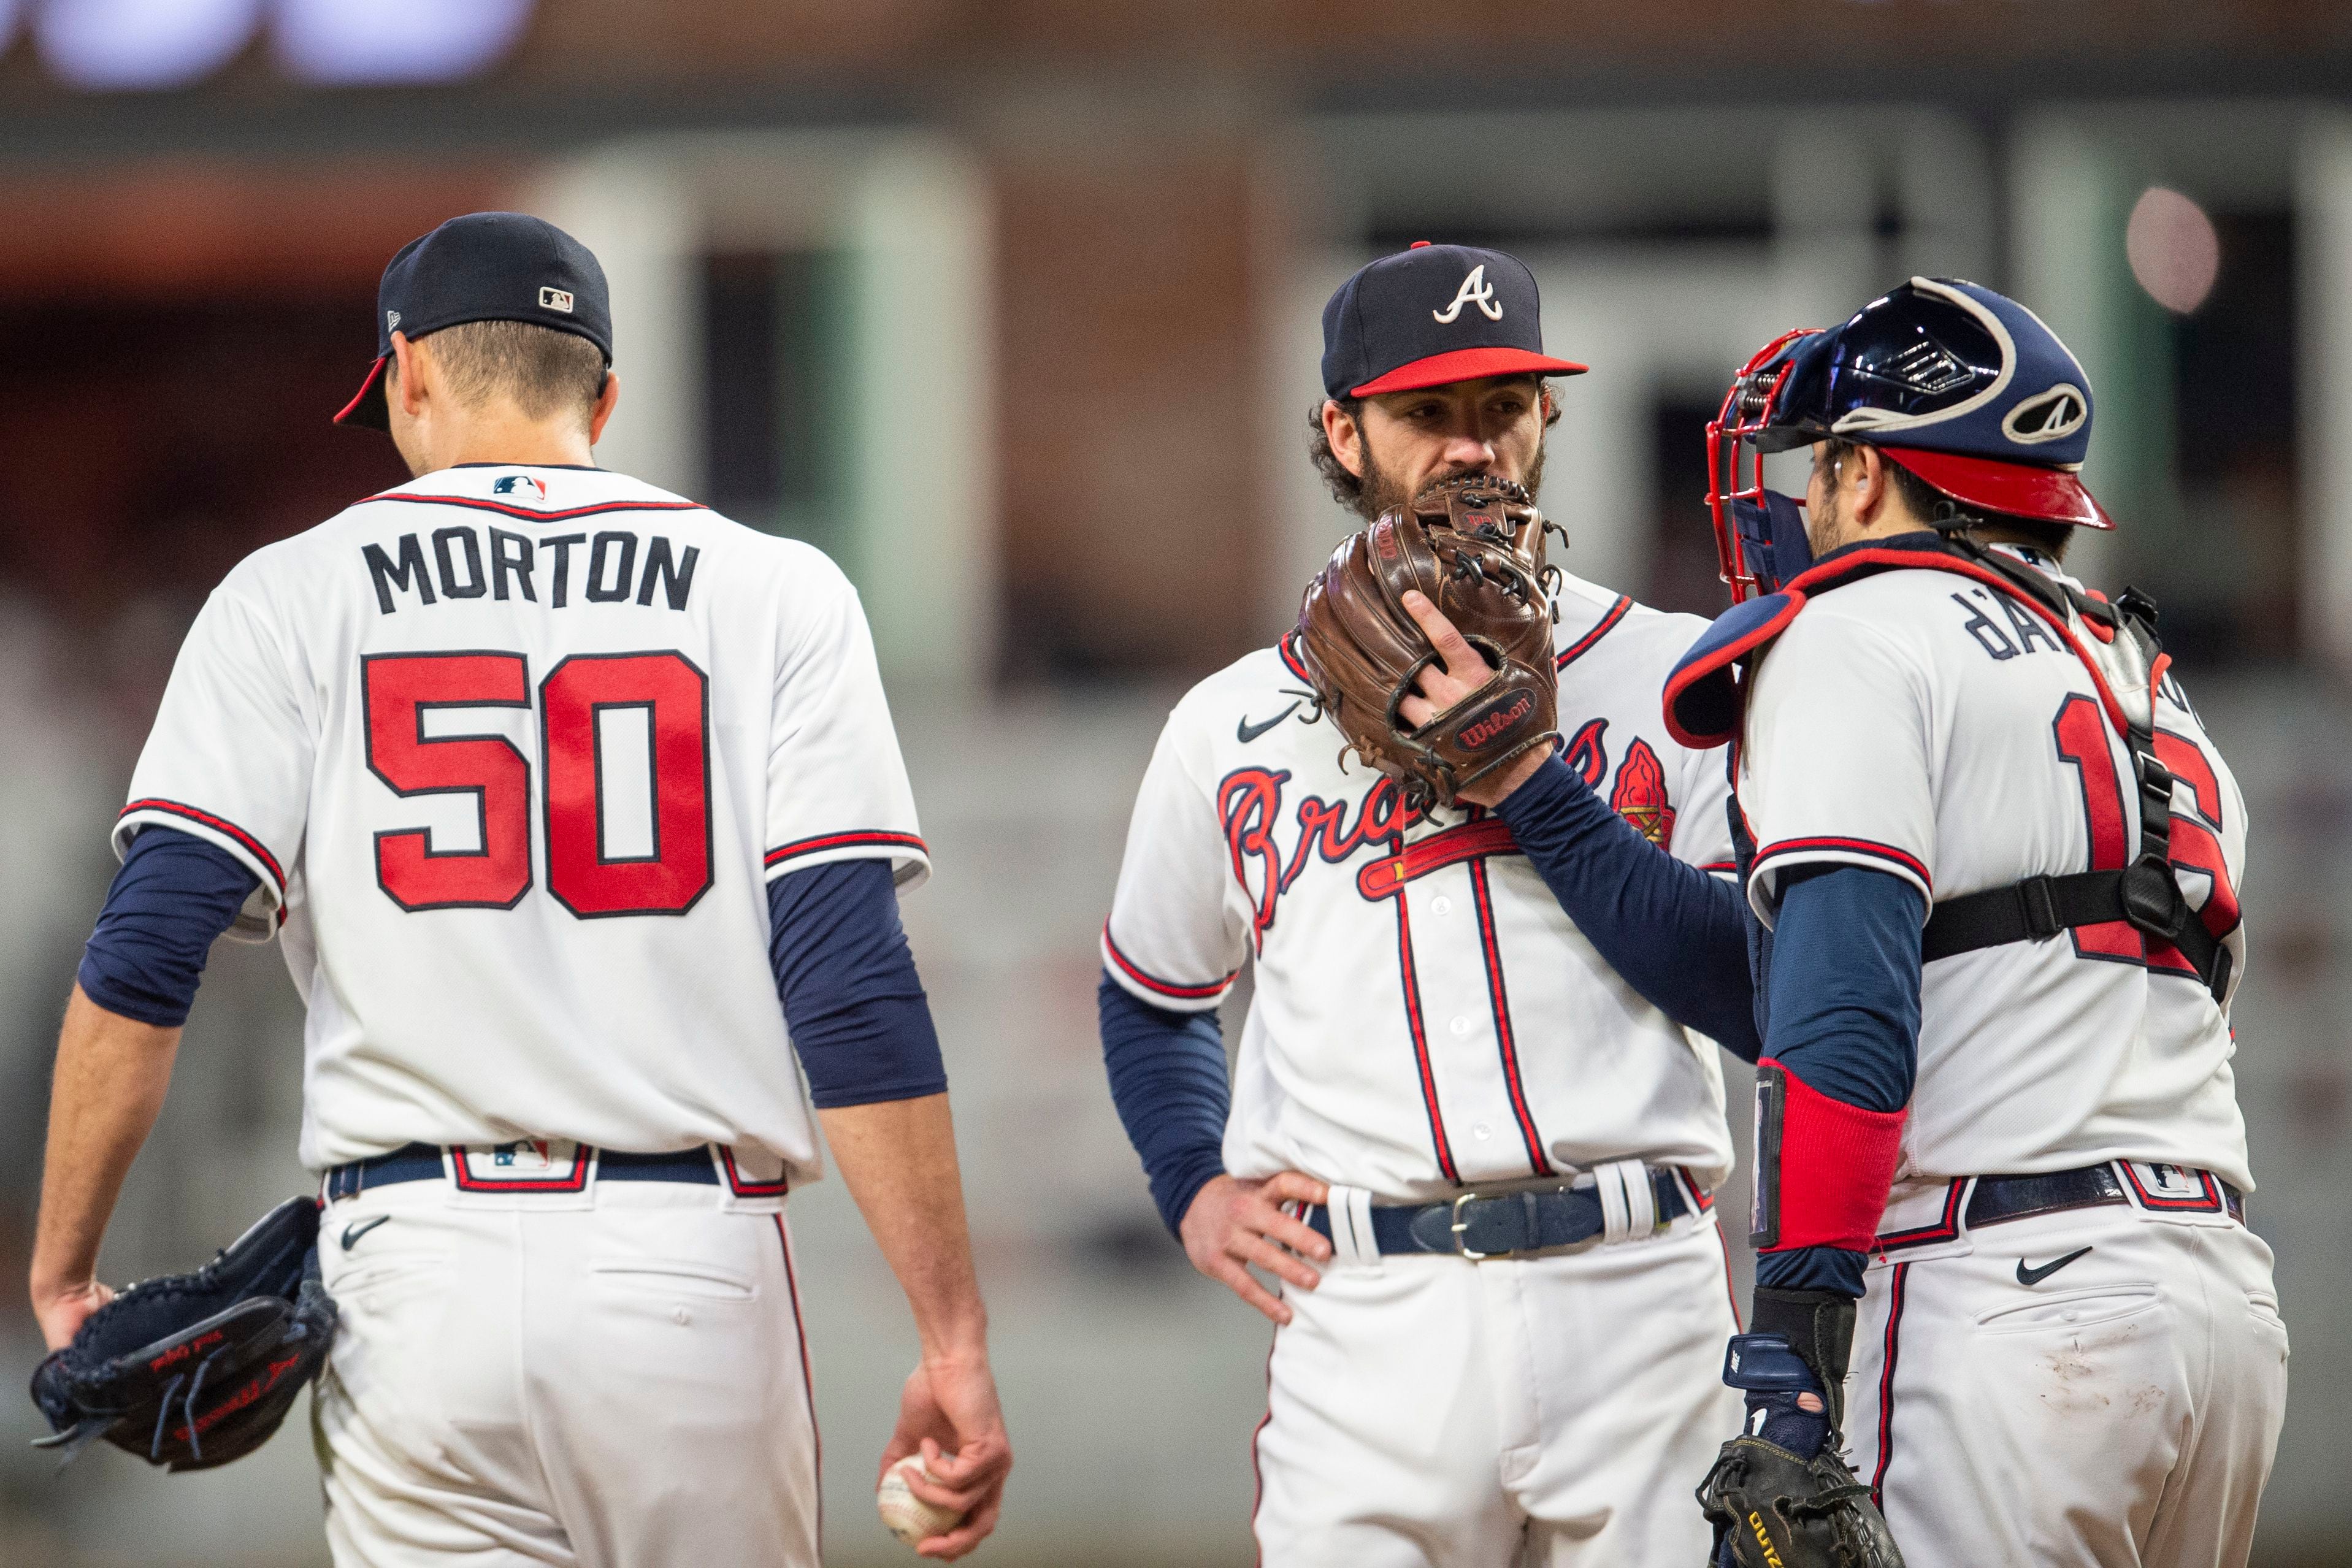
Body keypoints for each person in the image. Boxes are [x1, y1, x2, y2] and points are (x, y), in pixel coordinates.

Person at [28, 212, 1011, 1567]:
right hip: (693, 1267)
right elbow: (850, 986)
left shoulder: (287, 595)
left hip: (415, 1275)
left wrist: (65, 1263)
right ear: (606, 395)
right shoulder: (781, 591)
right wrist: (950, 1335)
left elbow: (145, 954)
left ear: (407, 375)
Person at [1097, 240, 1758, 1566]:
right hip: (1368, 1306)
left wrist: (1530, 781)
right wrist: (1193, 1183)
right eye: (1425, 414)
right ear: (1343, 434)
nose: (1472, 448)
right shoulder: (1231, 723)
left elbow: (1751, 989)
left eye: (1501, 408)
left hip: (1634, 1284)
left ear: (1546, 419)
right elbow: (1150, 994)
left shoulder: (1676, 675)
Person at [1658, 277, 2284, 1566]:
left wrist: (1791, 1366)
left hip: (2000, 1299)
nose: (1802, 502)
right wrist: (1542, 807)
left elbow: (1838, 1025)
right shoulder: (2147, 680)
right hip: (2216, 1305)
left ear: (1875, 474)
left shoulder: (1855, 633)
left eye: (1821, 465)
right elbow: (1812, 988)